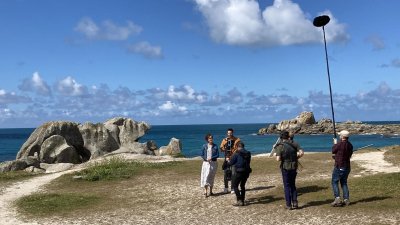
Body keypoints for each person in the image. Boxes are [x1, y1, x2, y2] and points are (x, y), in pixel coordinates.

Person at [275, 130, 304, 210]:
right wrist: (296, 158)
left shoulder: (280, 146)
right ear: (288, 136)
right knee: (293, 185)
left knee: (287, 186)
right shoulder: (295, 143)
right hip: (294, 166)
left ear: (281, 137)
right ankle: (295, 203)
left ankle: (288, 204)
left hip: (285, 167)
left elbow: (278, 159)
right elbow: (301, 153)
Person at [331, 130, 353, 207]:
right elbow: (346, 155)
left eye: (340, 135)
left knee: (334, 182)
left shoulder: (339, 144)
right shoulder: (350, 145)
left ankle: (337, 198)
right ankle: (346, 199)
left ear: (342, 136)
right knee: (344, 182)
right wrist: (336, 157)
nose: (339, 136)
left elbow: (333, 150)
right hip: (347, 166)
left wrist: (335, 143)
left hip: (339, 166)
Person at [227, 142, 251, 206]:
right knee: (242, 186)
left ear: (238, 147)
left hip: (239, 171)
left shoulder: (236, 154)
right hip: (246, 171)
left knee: (235, 185)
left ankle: (239, 200)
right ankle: (242, 200)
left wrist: (228, 160)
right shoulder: (248, 153)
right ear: (243, 146)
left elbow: (231, 163)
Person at [220, 128, 241, 193]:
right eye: (228, 133)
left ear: (232, 133)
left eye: (230, 133)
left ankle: (232, 188)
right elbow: (221, 149)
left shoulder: (237, 140)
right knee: (225, 173)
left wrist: (234, 152)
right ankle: (226, 187)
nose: (229, 134)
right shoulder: (224, 140)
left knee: (233, 173)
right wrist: (225, 148)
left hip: (234, 159)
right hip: (227, 159)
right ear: (227, 133)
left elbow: (239, 148)